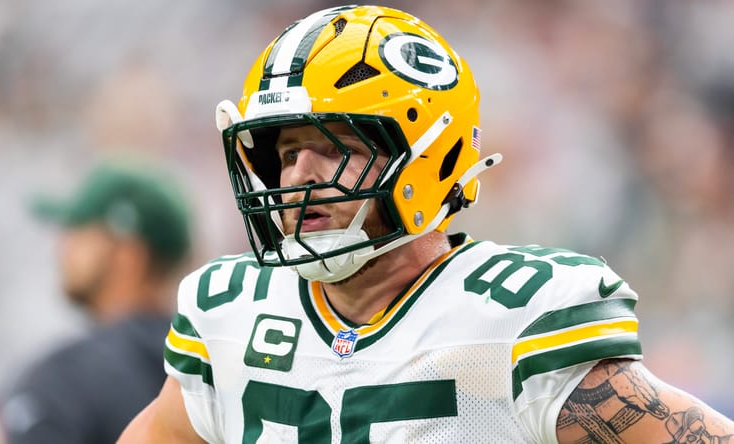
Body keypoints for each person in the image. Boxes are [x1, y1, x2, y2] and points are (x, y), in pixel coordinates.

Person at [119, 5, 734, 443]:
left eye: (332, 148)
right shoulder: (229, 312)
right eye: (284, 154)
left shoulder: (517, 316)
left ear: (427, 158)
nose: (298, 177)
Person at [0, 160, 193, 444]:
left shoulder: (61, 379)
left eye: (80, 232)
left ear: (128, 256)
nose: (62, 249)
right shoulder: (207, 362)